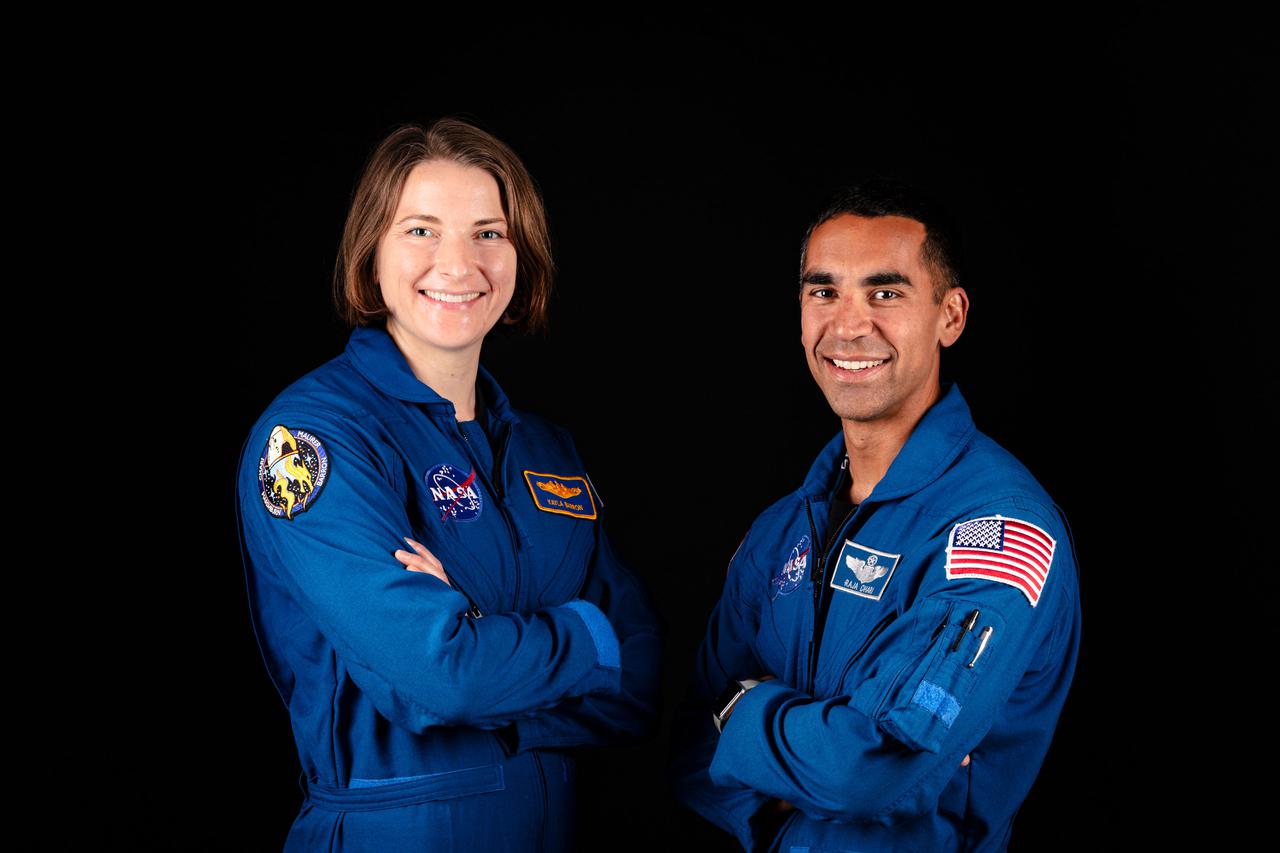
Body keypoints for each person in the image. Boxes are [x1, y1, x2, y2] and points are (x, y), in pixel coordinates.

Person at [236, 118, 662, 851]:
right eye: (422, 231)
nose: (459, 263)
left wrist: (477, 631)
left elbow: (643, 677)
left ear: (521, 255)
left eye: (489, 233)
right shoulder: (313, 437)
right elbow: (445, 676)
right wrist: (585, 635)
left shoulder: (546, 450)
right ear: (371, 254)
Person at [670, 181, 1081, 851]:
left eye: (885, 293)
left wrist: (743, 712)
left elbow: (875, 766)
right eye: (823, 292)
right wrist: (800, 764)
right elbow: (688, 749)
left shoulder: (998, 530)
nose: (849, 324)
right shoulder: (779, 531)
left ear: (950, 316)